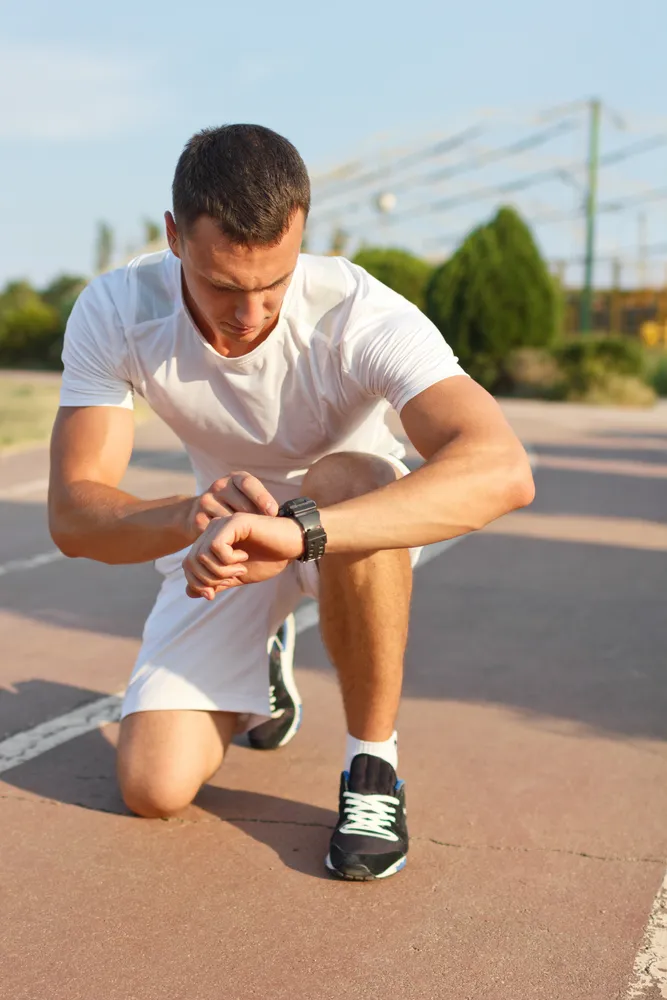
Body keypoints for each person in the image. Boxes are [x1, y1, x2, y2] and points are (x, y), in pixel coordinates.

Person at [48, 124, 534, 881]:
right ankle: (263, 658)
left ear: (301, 233)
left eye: (271, 283)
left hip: (345, 526)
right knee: (152, 788)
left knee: (350, 473)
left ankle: (372, 765)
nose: (249, 316)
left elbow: (501, 469)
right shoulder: (117, 312)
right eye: (222, 286)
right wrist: (188, 518)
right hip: (226, 539)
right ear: (174, 236)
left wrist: (303, 529)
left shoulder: (358, 315)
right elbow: (74, 515)